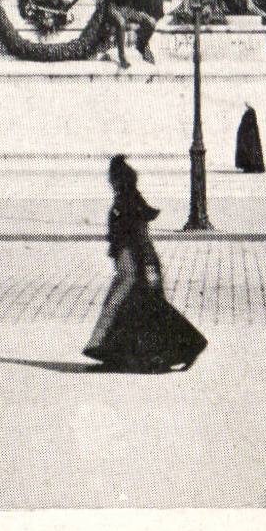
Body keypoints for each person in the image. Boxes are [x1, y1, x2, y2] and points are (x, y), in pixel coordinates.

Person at [83, 156, 206, 373]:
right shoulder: (129, 199)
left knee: (133, 308)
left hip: (134, 265)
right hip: (136, 263)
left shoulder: (126, 202)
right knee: (139, 310)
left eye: (112, 178)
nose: (109, 182)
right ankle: (124, 355)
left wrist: (143, 266)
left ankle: (186, 346)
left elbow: (136, 237)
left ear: (119, 180)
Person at [102, 0, 164, 69]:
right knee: (120, 23)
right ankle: (122, 57)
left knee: (150, 22)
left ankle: (142, 45)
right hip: (114, 8)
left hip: (128, 10)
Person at [235, 103, 265, 173]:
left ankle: (250, 165)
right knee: (250, 150)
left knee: (250, 150)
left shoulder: (249, 114)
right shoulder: (250, 115)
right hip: (249, 135)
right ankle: (251, 165)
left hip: (249, 135)